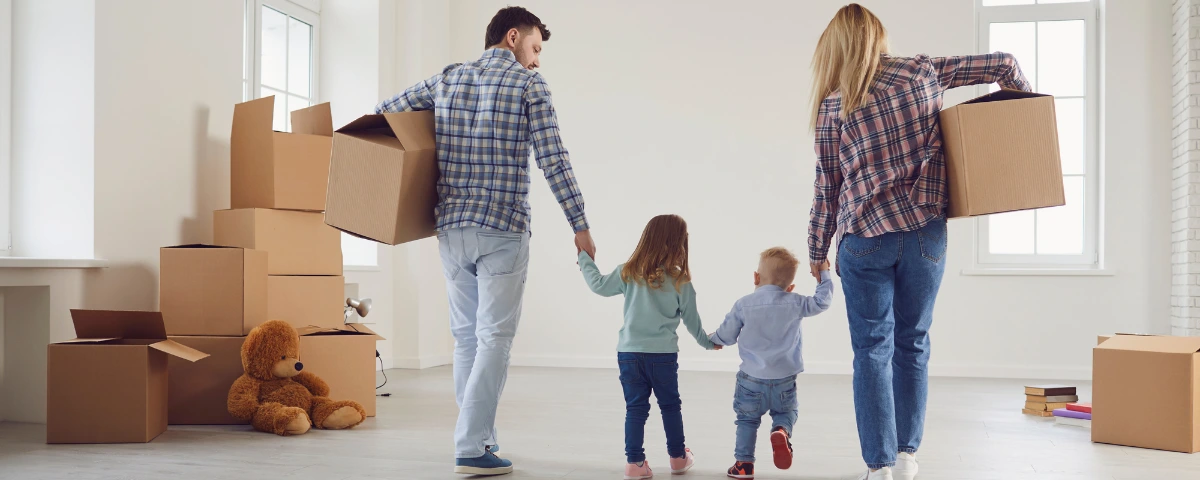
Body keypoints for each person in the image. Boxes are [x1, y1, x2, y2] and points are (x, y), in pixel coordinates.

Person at [806, 4, 1031, 480]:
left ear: (837, 48)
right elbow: (1004, 64)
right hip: (925, 236)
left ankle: (880, 466)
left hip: (864, 239)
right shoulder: (922, 71)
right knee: (913, 343)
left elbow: (828, 185)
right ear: (878, 38)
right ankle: (907, 457)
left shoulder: (833, 104)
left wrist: (815, 250)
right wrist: (1022, 124)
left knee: (872, 350)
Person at [375, 6, 597, 476]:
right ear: (513, 37)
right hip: (502, 229)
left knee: (465, 341)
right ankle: (472, 446)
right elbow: (553, 159)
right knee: (494, 338)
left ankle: (481, 437)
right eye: (535, 48)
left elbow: (385, 113)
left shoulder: (447, 80)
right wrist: (579, 224)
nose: (537, 60)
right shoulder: (528, 85)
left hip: (452, 228)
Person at [577, 214, 721, 480]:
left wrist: (584, 258)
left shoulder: (628, 271)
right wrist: (708, 343)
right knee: (670, 406)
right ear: (679, 244)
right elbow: (693, 323)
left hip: (629, 354)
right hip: (663, 357)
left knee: (635, 408)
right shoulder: (681, 281)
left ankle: (635, 464)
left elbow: (597, 285)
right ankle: (678, 458)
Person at [708, 247, 834, 479]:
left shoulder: (744, 304)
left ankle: (744, 465)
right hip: (785, 379)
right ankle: (781, 430)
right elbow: (822, 302)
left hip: (751, 380)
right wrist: (824, 273)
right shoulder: (795, 302)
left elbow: (726, 335)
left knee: (747, 420)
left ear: (756, 277)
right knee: (786, 412)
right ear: (790, 287)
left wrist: (711, 340)